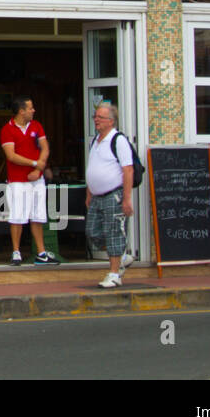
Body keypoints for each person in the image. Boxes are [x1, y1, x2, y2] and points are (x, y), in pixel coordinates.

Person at [0, 96, 60, 266]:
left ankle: (41, 253)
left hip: (37, 179)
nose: (33, 110)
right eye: (30, 108)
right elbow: (11, 156)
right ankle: (16, 252)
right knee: (17, 216)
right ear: (21, 111)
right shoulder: (7, 129)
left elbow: (45, 148)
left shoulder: (37, 126)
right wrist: (35, 163)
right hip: (17, 180)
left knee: (37, 216)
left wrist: (38, 169)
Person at [84, 102, 135, 288]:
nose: (96, 120)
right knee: (92, 232)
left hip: (114, 194)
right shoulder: (94, 141)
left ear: (111, 121)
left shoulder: (118, 140)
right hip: (96, 196)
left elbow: (127, 170)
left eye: (101, 117)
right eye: (95, 117)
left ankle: (114, 273)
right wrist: (89, 193)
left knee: (114, 233)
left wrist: (126, 198)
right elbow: (93, 168)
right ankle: (121, 256)